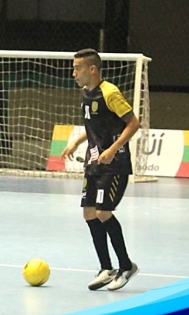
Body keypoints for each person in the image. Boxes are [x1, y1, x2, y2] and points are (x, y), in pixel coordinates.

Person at [60, 48, 140, 291]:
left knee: (104, 212)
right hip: (94, 162)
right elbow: (95, 125)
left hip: (114, 163)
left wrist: (114, 148)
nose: (73, 73)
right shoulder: (85, 93)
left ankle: (126, 266)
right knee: (88, 213)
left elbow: (133, 123)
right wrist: (76, 141)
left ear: (92, 69)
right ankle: (106, 268)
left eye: (77, 68)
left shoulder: (110, 93)